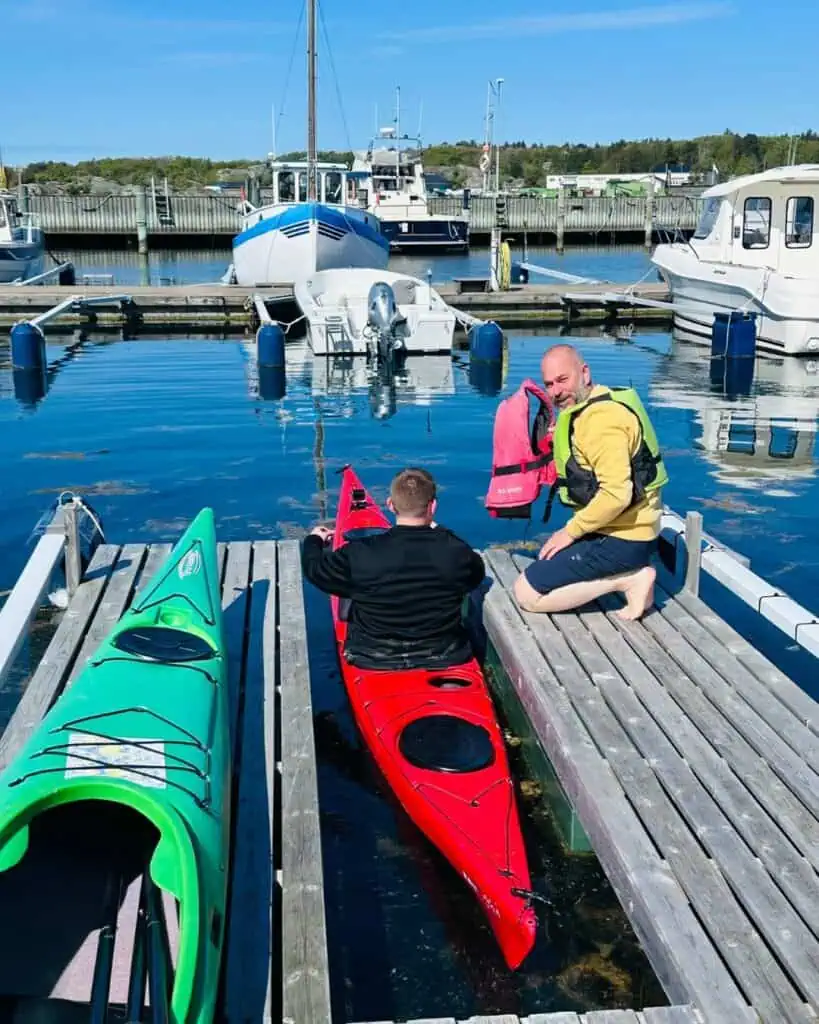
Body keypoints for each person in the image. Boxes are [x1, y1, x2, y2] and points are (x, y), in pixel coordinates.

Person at [513, 343, 668, 620]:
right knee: (543, 559)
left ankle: (629, 580)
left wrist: (571, 531)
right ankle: (629, 573)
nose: (556, 392)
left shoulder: (601, 422)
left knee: (527, 593)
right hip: (624, 530)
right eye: (549, 384)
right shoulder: (598, 401)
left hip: (625, 539)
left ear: (584, 373)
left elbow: (617, 494)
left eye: (563, 380)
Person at [302, 467, 486, 669]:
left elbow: (315, 570)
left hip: (373, 656)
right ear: (433, 507)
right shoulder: (457, 552)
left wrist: (314, 541)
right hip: (445, 653)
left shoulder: (359, 553)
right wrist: (440, 530)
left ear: (390, 504)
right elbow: (476, 574)